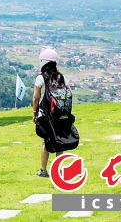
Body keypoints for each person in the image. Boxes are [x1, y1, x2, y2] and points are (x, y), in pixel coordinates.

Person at [33, 47, 68, 178]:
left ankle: (43, 170)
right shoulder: (62, 77)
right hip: (60, 115)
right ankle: (60, 171)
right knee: (59, 142)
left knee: (46, 141)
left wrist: (34, 113)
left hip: (46, 115)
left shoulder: (41, 78)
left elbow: (36, 98)